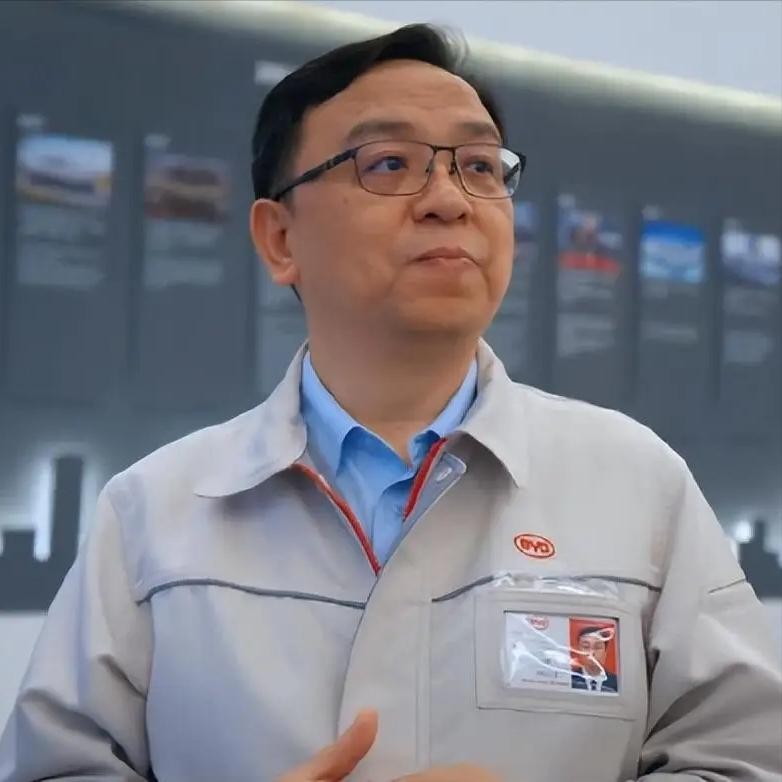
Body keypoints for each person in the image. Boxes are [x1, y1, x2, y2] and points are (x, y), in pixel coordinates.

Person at [1, 22, 780, 782]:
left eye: (480, 167)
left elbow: (742, 759)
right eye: (387, 163)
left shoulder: (638, 486)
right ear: (280, 239)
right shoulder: (153, 513)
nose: (449, 200)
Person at [571, 625, 618, 694]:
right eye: (586, 647)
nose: (591, 652)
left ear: (605, 652)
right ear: (579, 651)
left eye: (597, 647)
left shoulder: (618, 683)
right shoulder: (570, 680)